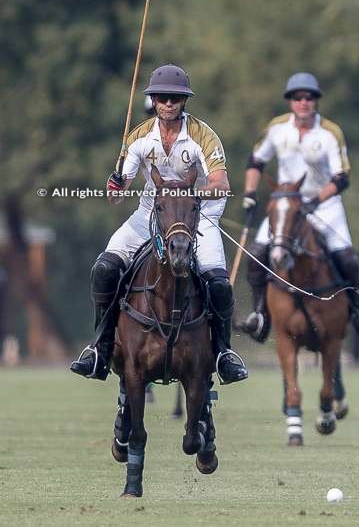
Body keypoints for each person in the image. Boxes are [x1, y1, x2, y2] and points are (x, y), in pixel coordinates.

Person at [70, 64, 248, 384]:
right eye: (162, 97)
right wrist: (114, 187)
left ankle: (223, 353)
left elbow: (221, 184)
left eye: (175, 98)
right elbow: (118, 192)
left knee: (218, 282)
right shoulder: (138, 137)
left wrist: (184, 193)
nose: (168, 103)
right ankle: (101, 345)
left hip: (200, 215)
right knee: (105, 268)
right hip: (151, 214)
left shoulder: (201, 135)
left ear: (184, 102)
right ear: (152, 100)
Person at [239, 72, 359, 342]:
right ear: (290, 101)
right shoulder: (277, 128)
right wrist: (250, 194)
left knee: (348, 258)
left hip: (323, 205)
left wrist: (314, 201)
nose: (304, 102)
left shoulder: (330, 132)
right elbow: (256, 161)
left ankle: (356, 311)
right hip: (286, 206)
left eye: (309, 97)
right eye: (298, 98)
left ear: (316, 101)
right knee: (257, 254)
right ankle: (260, 314)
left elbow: (342, 177)